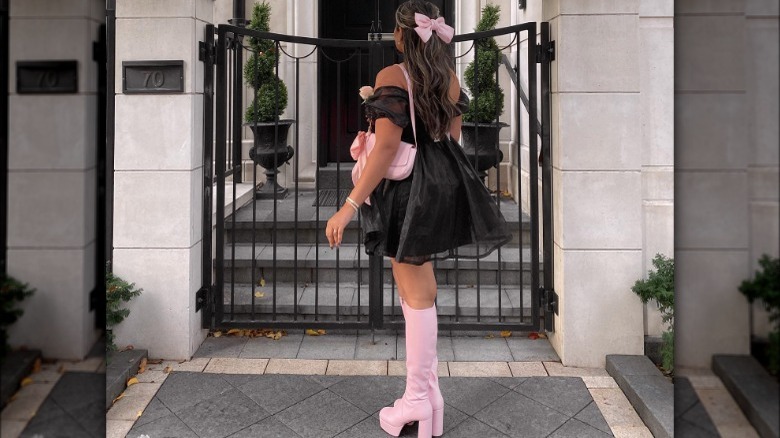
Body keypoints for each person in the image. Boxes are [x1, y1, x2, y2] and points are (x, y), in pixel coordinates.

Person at [325, 1, 512, 436]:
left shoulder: (392, 77)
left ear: (399, 35)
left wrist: (349, 205)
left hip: (407, 192)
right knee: (421, 289)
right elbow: (452, 137)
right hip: (440, 186)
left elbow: (388, 149)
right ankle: (430, 397)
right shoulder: (448, 78)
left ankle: (416, 402)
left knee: (413, 288)